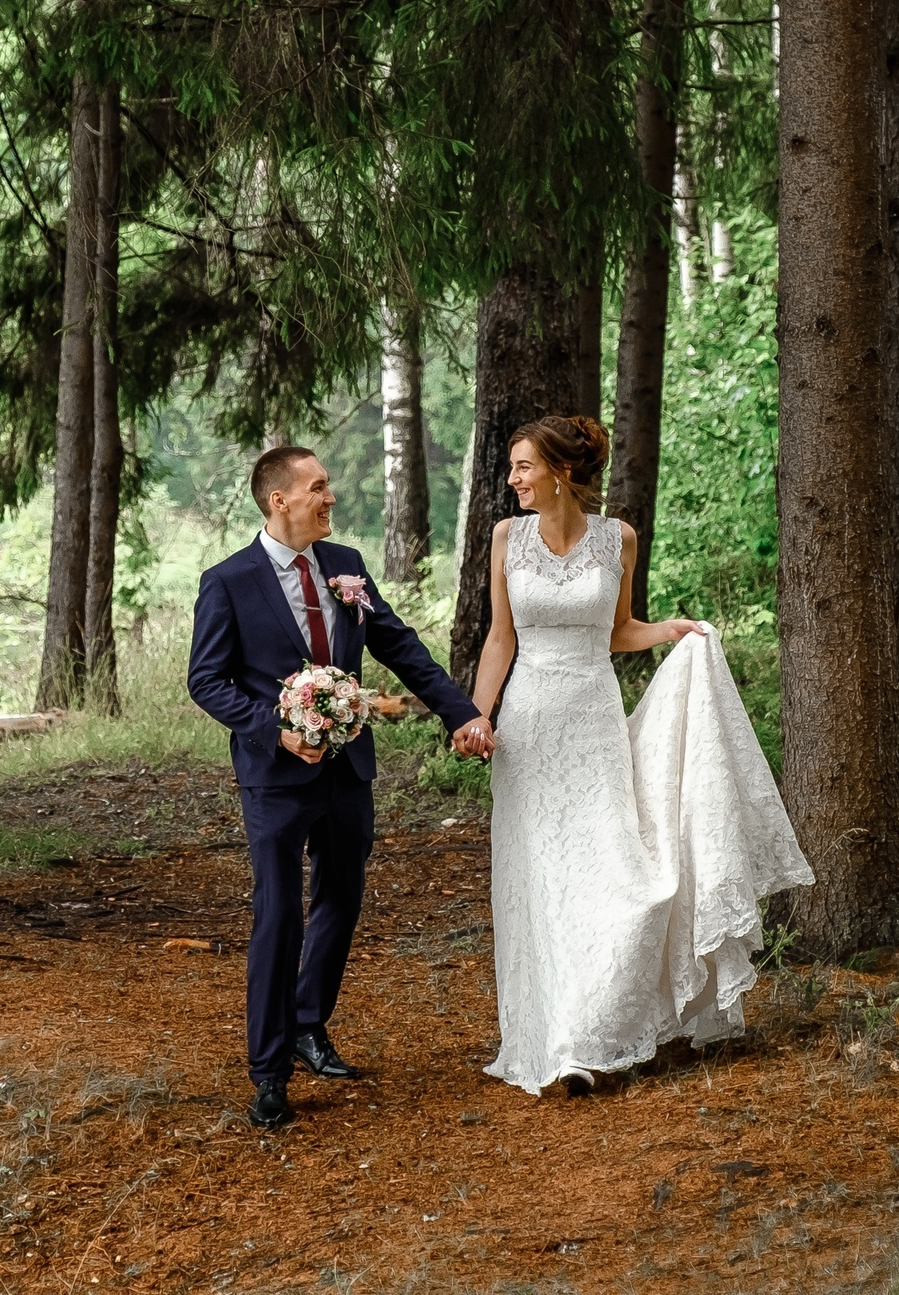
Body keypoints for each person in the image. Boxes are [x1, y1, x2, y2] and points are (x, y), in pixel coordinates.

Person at [471, 415, 813, 1095]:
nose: (512, 479)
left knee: (606, 871)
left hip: (594, 722)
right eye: (512, 467)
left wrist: (672, 631)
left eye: (523, 467)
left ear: (560, 472)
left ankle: (600, 1026)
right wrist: (478, 713)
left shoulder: (618, 538)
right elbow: (499, 639)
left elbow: (618, 629)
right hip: (530, 727)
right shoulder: (506, 538)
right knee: (541, 879)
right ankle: (554, 1036)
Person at [187, 445, 493, 1129]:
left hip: (349, 771)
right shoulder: (228, 580)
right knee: (278, 915)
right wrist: (274, 726)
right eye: (318, 488)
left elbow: (399, 644)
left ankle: (307, 1023)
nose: (330, 499)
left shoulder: (345, 564)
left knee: (343, 897)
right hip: (275, 777)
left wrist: (461, 710)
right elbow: (206, 679)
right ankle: (268, 1072)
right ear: (280, 501)